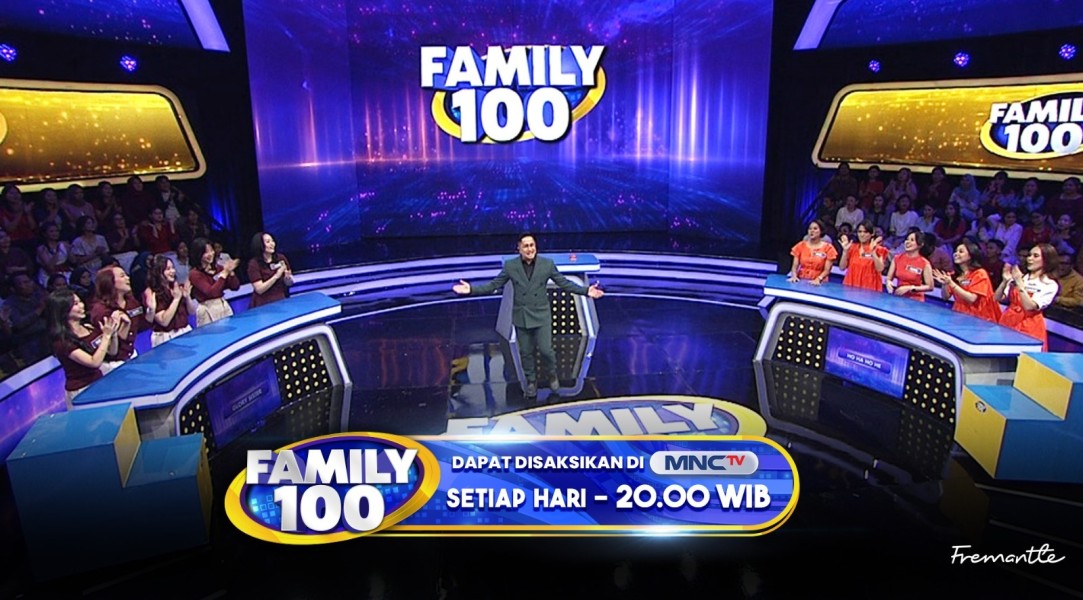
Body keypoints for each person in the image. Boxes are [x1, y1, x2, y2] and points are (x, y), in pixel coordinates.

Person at [452, 233, 604, 398]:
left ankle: (552, 374)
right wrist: (471, 289)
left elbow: (564, 283)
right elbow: (494, 285)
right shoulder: (511, 266)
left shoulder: (547, 264)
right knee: (525, 352)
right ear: (519, 248)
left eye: (532, 245)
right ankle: (531, 381)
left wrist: (586, 291)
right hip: (522, 316)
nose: (530, 249)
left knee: (546, 350)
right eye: (526, 246)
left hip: (541, 316)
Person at [44, 289, 119, 406]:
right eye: (75, 304)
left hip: (99, 383)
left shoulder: (88, 327)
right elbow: (94, 362)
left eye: (80, 301)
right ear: (63, 310)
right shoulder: (62, 342)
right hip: (82, 391)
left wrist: (113, 335)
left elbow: (112, 352)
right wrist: (106, 336)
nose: (82, 305)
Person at [996, 243, 1060, 350]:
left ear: (1047, 260)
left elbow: (1029, 306)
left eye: (1035, 256)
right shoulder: (1021, 277)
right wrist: (1004, 281)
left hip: (1029, 326)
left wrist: (1020, 284)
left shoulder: (1049, 284)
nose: (1030, 259)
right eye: (1029, 255)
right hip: (1008, 321)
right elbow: (997, 298)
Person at [932, 240, 1001, 324]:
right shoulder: (954, 274)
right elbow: (945, 297)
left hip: (979, 320)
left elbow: (972, 298)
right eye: (956, 251)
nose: (956, 254)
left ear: (970, 256)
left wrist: (951, 283)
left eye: (961, 252)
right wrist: (945, 284)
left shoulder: (980, 274)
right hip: (959, 316)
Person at [90, 265, 144, 370]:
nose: (128, 278)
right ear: (110, 282)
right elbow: (111, 346)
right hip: (112, 365)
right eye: (122, 276)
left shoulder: (131, 302)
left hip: (131, 355)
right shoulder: (101, 311)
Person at [144, 254, 196, 347]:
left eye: (172, 268)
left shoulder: (177, 287)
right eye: (168, 269)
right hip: (166, 337)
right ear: (158, 272)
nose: (173, 271)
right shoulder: (152, 293)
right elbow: (164, 321)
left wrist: (187, 297)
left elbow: (192, 312)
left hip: (184, 331)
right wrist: (176, 299)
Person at [189, 237, 241, 326]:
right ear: (198, 254)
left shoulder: (219, 268)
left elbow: (235, 286)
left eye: (211, 250)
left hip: (222, 306)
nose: (210, 254)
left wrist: (231, 272)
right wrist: (224, 274)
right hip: (207, 310)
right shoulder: (194, 274)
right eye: (206, 252)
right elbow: (212, 292)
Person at [838, 221, 888, 292]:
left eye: (865, 232)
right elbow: (842, 267)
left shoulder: (879, 249)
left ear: (872, 234)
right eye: (860, 232)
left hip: (870, 288)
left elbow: (880, 269)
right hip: (851, 286)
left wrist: (873, 252)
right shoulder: (851, 247)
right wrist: (845, 251)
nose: (862, 234)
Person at [247, 232, 293, 308]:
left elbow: (289, 283)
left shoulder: (281, 258)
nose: (272, 244)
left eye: (272, 241)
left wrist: (288, 278)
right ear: (260, 245)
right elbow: (259, 289)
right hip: (263, 304)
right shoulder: (254, 264)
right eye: (268, 242)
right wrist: (276, 276)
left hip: (282, 300)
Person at [885, 231, 933, 301]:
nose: (908, 242)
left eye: (912, 240)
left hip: (916, 300)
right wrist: (888, 283)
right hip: (899, 298)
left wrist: (910, 288)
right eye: (907, 239)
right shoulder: (897, 258)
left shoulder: (925, 263)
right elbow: (889, 278)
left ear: (920, 244)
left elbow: (930, 287)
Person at [787, 219, 837, 284]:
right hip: (801, 280)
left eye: (815, 229)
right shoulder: (800, 246)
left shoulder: (828, 248)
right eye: (810, 229)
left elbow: (827, 270)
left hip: (820, 282)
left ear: (821, 231)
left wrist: (819, 279)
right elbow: (794, 266)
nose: (812, 231)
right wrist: (794, 276)